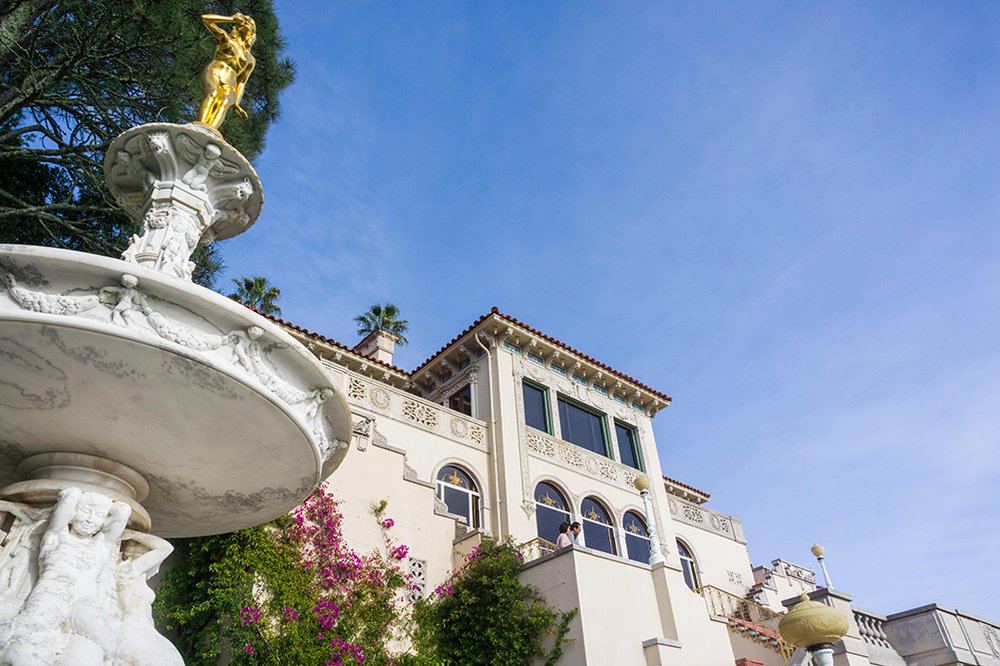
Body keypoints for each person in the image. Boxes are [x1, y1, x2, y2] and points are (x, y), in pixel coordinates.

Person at [197, 13, 256, 130]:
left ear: (252, 33)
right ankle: (200, 125)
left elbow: (242, 82)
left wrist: (236, 104)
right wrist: (230, 19)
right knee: (212, 94)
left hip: (231, 83)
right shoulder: (225, 38)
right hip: (215, 71)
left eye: (249, 23)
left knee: (224, 102)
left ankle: (211, 131)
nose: (246, 22)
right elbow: (205, 19)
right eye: (244, 20)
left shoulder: (250, 59)